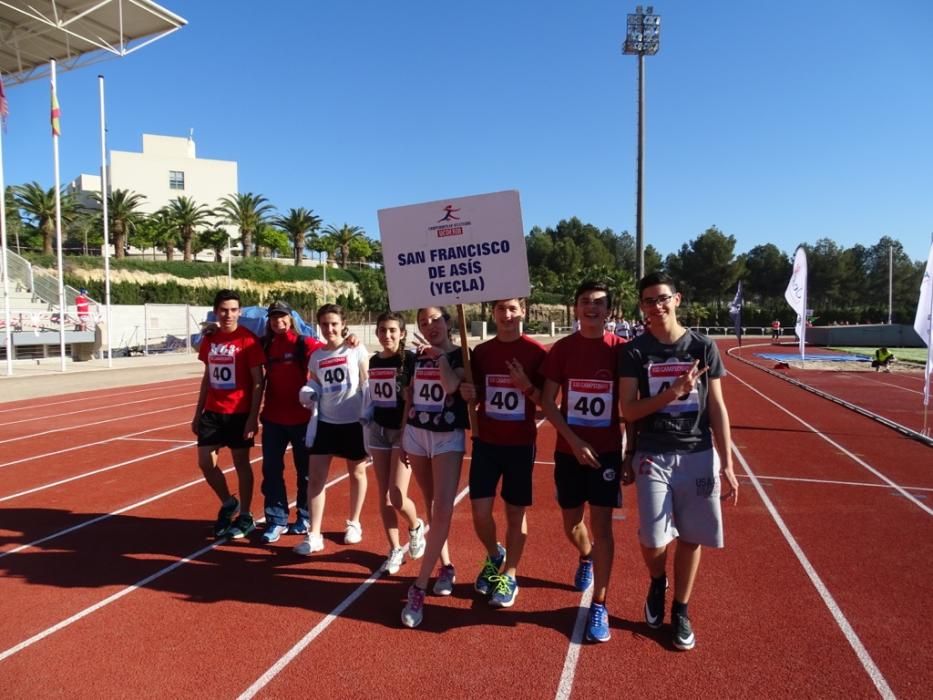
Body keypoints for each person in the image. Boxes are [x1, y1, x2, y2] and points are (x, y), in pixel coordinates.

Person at [619, 272, 739, 652]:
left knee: (691, 537)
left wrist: (729, 462)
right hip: (653, 452)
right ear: (642, 307)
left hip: (699, 453)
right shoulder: (635, 351)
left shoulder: (703, 347)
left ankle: (681, 609)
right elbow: (628, 409)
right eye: (649, 301)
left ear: (677, 299)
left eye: (662, 298)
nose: (657, 306)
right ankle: (658, 581)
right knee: (654, 539)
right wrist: (674, 391)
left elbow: (717, 407)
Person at [540, 281, 631, 643]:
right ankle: (586, 556)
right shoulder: (562, 350)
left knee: (603, 527)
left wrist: (628, 452)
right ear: (575, 308)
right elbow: (548, 402)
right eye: (584, 302)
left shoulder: (622, 350)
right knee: (572, 524)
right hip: (568, 452)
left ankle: (600, 604)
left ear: (609, 310)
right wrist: (575, 442)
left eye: (598, 303)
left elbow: (631, 407)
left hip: (607, 452)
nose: (591, 307)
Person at [459, 298, 547, 608]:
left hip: (520, 445)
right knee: (480, 513)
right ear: (493, 313)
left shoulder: (537, 353)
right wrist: (468, 392)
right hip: (486, 442)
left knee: (514, 514)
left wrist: (525, 386)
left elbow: (547, 403)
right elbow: (476, 393)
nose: (507, 315)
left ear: (523, 309)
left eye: (512, 309)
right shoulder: (481, 353)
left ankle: (509, 574)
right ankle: (496, 554)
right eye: (500, 309)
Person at [400, 306, 468, 628]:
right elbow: (410, 397)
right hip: (416, 434)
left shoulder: (462, 354)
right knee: (429, 506)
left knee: (442, 510)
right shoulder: (414, 357)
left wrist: (439, 356)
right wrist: (403, 436)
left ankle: (419, 586)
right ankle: (447, 566)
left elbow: (453, 386)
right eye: (423, 322)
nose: (430, 326)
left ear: (448, 321)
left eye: (435, 320)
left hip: (446, 438)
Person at [293, 304, 370, 555]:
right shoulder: (316, 357)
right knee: (315, 478)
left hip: (353, 422)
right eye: (325, 324)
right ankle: (314, 534)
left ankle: (354, 522)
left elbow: (367, 380)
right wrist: (308, 392)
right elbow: (314, 383)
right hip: (325, 423)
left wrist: (369, 413)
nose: (330, 329)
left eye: (334, 323)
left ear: (343, 324)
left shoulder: (355, 348)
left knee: (357, 473)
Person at [191, 289, 265, 539]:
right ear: (215, 312)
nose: (228, 315)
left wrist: (253, 417)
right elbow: (206, 377)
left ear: (240, 312)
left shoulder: (249, 340)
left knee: (241, 464)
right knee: (205, 462)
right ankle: (227, 502)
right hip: (212, 411)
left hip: (239, 412)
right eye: (224, 310)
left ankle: (245, 514)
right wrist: (197, 412)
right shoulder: (210, 340)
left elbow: (258, 381)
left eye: (233, 310)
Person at [258, 301, 325, 544]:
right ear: (269, 321)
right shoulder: (265, 344)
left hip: (302, 420)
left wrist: (351, 342)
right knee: (271, 470)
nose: (278, 321)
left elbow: (330, 351)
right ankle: (276, 520)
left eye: (282, 317)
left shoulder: (302, 343)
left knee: (305, 472)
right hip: (273, 419)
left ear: (291, 318)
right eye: (274, 317)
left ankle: (305, 516)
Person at [366, 311, 427, 574]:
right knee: (383, 495)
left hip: (403, 433)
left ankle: (415, 527)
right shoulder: (373, 360)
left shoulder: (411, 361)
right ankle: (393, 549)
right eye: (382, 330)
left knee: (396, 495)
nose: (387, 335)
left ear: (402, 333)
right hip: (378, 430)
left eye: (392, 330)